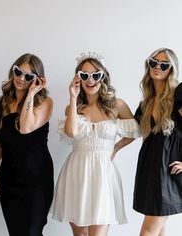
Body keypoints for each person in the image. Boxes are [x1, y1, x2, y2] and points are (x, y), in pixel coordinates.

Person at [51, 52, 140, 236]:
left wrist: (116, 147)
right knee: (80, 233)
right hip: (76, 172)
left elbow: (135, 132)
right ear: (78, 79)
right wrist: (73, 97)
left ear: (103, 76)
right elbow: (71, 133)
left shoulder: (117, 105)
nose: (90, 80)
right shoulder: (73, 107)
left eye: (95, 75)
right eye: (84, 75)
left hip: (103, 174)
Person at [0, 53, 54, 236]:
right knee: (16, 232)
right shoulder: (3, 102)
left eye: (28, 76)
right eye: (18, 72)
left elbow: (25, 128)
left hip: (36, 179)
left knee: (32, 232)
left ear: (37, 80)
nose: (21, 78)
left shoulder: (45, 102)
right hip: (9, 177)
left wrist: (31, 94)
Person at [133, 48, 182, 236]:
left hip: (168, 172)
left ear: (172, 69)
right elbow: (134, 130)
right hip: (150, 168)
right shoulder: (147, 102)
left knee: (147, 232)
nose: (157, 67)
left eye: (164, 64)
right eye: (153, 62)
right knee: (159, 230)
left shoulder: (179, 94)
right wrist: (115, 148)